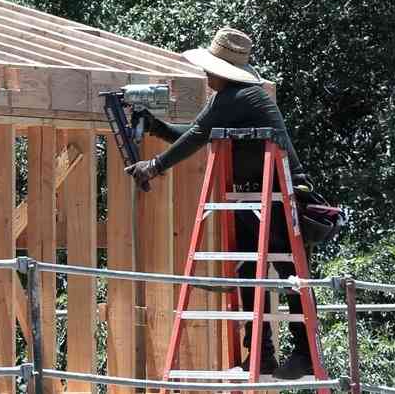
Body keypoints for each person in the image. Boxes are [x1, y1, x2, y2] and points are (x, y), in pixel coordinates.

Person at [125, 28, 315, 379]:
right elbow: (201, 130)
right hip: (253, 194)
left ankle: (303, 353)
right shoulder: (229, 97)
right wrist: (157, 126)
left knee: (288, 274)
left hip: (278, 194)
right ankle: (261, 352)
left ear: (223, 70)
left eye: (211, 68)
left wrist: (154, 166)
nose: (207, 74)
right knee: (248, 271)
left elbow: (198, 134)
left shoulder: (241, 97)